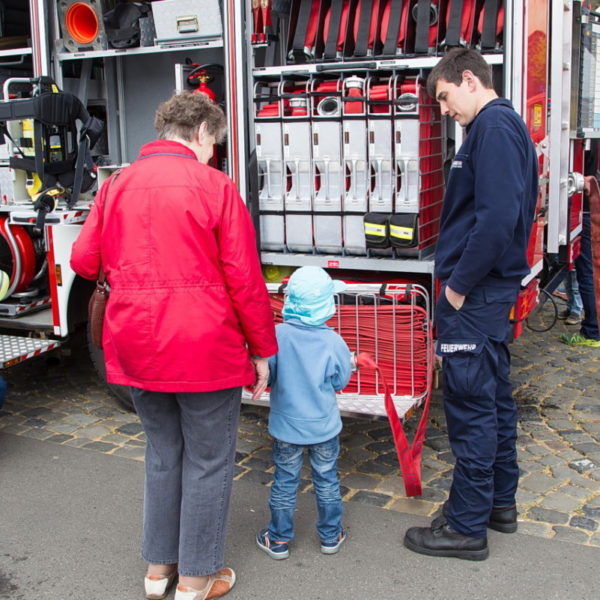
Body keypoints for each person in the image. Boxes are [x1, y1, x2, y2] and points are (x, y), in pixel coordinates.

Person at [71, 91, 277, 600]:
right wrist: (262, 350)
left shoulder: (115, 184)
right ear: (203, 133)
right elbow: (244, 279)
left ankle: (157, 573)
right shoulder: (216, 186)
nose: (214, 154)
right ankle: (196, 579)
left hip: (137, 341)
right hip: (205, 346)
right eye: (215, 145)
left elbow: (82, 260)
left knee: (164, 454)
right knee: (208, 459)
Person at [403, 48, 538, 561]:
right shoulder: (494, 129)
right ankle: (496, 506)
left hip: (475, 296)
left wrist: (456, 288)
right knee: (494, 404)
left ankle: (465, 527)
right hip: (485, 294)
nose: (443, 110)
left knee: (472, 410)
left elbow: (498, 218)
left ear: (468, 79)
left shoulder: (495, 128)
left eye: (444, 97)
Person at [255, 266, 353, 559]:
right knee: (327, 480)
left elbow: (267, 376)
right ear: (327, 305)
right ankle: (330, 535)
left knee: (285, 481)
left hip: (286, 427)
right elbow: (340, 381)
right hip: (324, 427)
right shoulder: (334, 341)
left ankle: (279, 539)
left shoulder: (277, 335)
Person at [561, 138, 600, 347]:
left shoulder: (588, 140)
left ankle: (592, 331)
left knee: (586, 272)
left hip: (584, 210)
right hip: (587, 209)